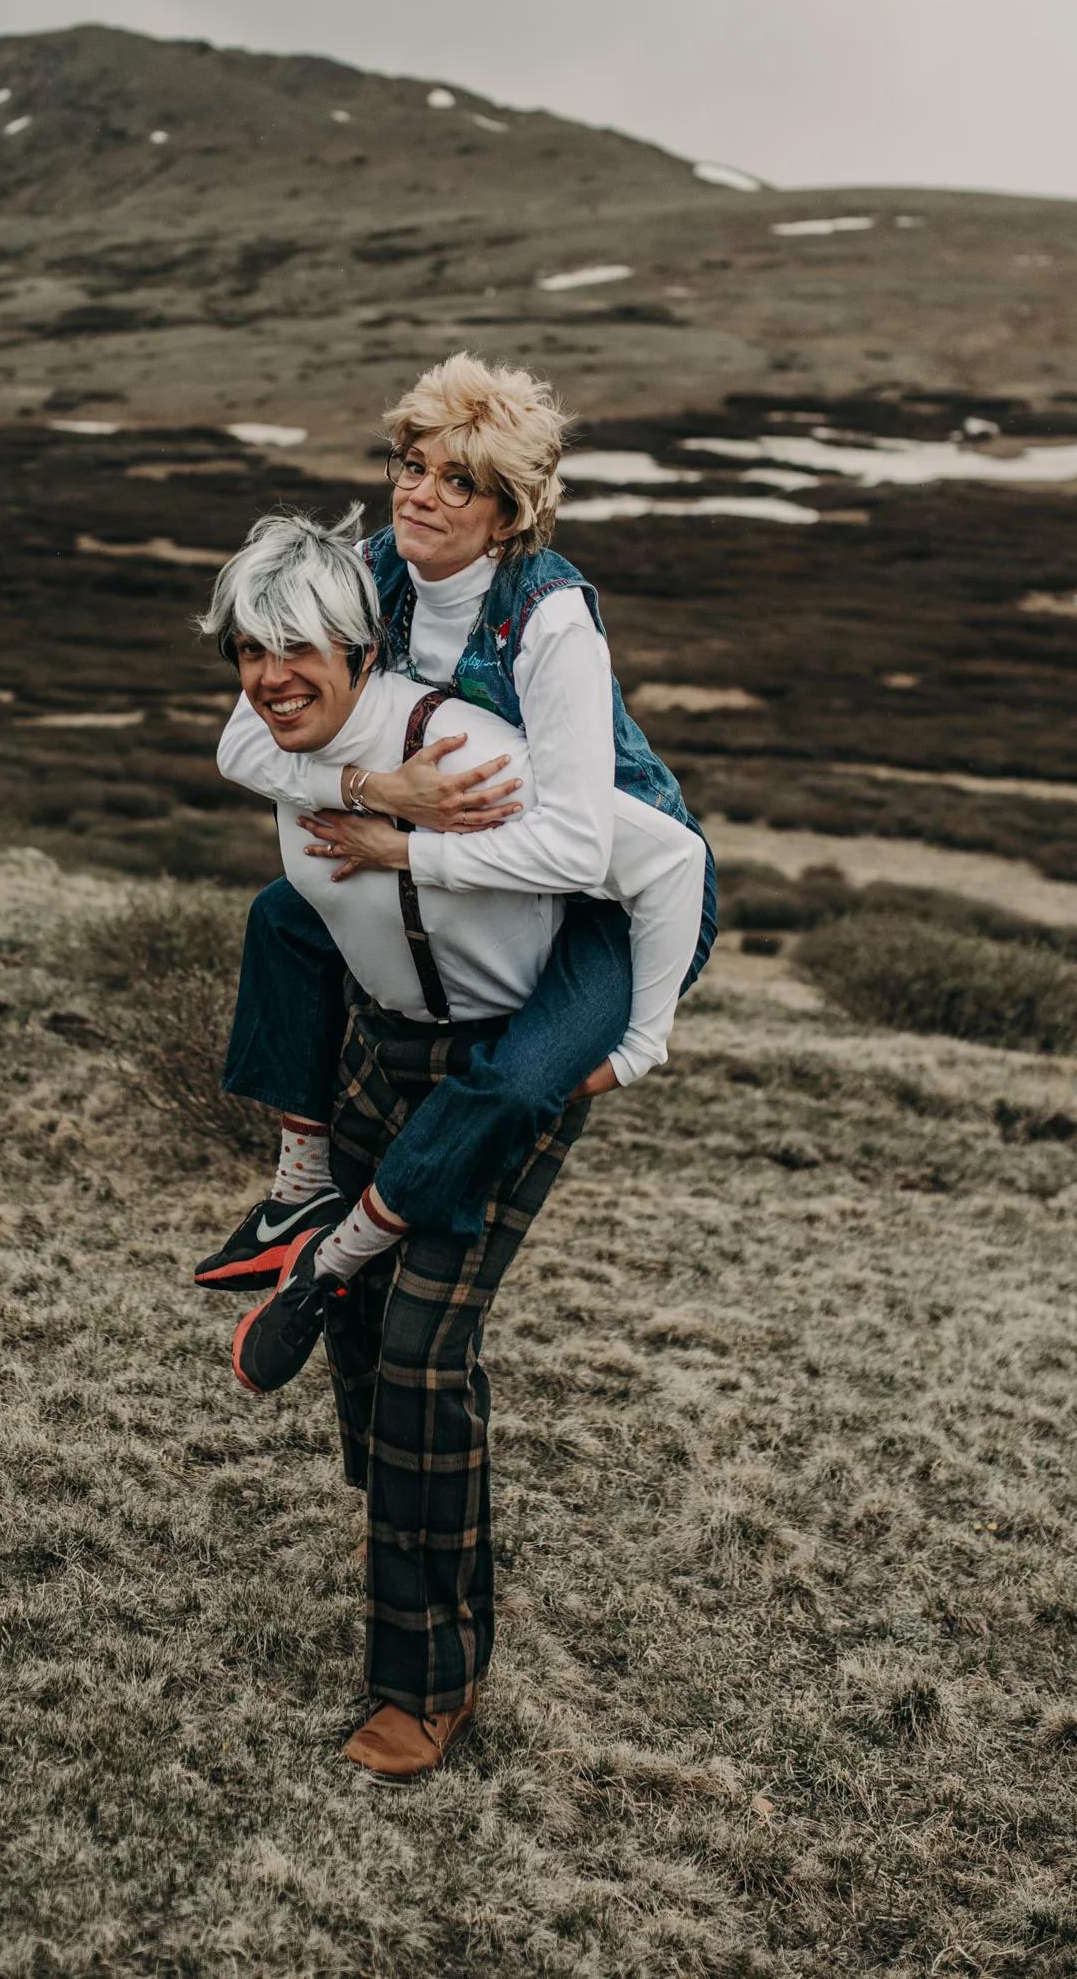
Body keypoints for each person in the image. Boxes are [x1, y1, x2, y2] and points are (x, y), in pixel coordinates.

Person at [198, 510, 707, 1780]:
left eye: (298, 648)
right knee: (373, 1349)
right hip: (385, 1047)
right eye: (250, 652)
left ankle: (425, 1687)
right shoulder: (285, 747)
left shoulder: (478, 755)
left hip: (502, 1063)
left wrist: (635, 1040)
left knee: (424, 1353)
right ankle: (420, 1519)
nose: (270, 678)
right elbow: (246, 752)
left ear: (363, 647)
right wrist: (362, 789)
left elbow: (668, 859)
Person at [195, 352, 716, 1296]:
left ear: (508, 512)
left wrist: (406, 849)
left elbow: (576, 847)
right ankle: (299, 1189)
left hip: (615, 884)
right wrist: (372, 791)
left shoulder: (549, 619)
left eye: (459, 481)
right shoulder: (369, 572)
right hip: (463, 847)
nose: (421, 496)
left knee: (520, 1079)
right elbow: (243, 747)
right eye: (412, 466)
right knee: (284, 913)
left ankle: (350, 1251)